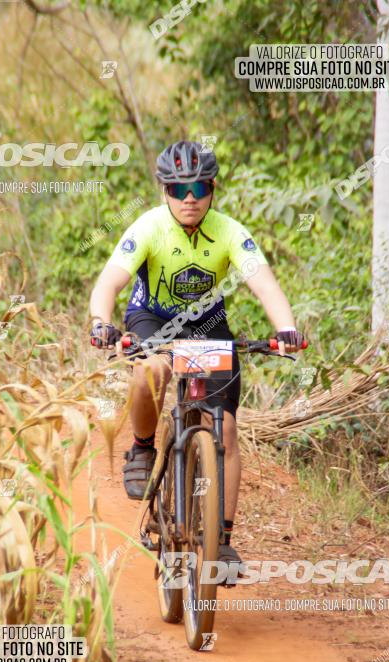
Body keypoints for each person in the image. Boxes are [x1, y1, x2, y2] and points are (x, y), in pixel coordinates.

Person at [89, 140, 303, 563]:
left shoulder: (230, 232)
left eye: (199, 189)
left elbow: (265, 285)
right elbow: (108, 283)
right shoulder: (149, 227)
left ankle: (220, 540)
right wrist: (101, 322)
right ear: (163, 191)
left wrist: (286, 328)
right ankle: (144, 447)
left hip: (206, 326)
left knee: (223, 429)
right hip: (151, 318)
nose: (189, 199)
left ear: (213, 188)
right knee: (152, 371)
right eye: (178, 189)